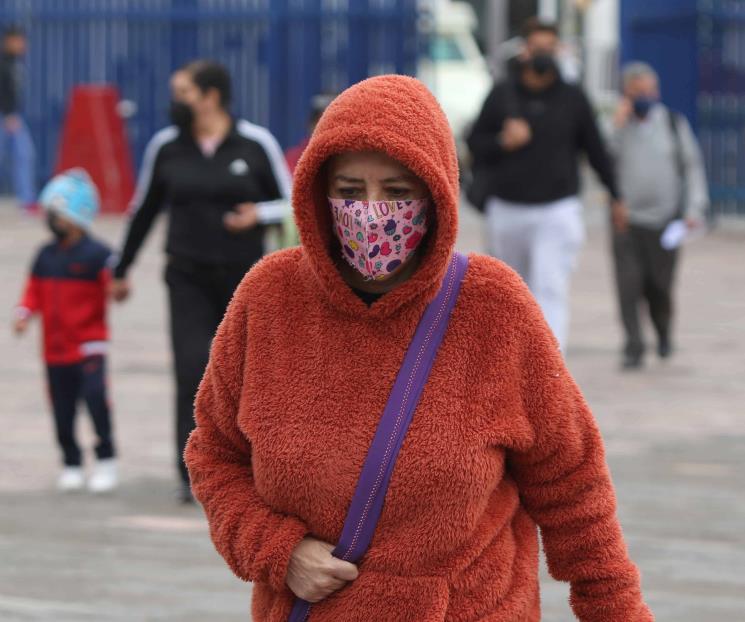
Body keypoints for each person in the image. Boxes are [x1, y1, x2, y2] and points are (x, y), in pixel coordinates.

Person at [184, 75, 653, 621]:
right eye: (351, 191)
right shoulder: (270, 297)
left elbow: (572, 483)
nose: (372, 211)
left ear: (435, 195)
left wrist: (618, 611)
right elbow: (214, 454)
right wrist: (276, 551)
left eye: (398, 192)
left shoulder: (493, 306)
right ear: (318, 192)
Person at [110, 60, 291, 503]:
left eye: (184, 93)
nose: (176, 103)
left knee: (247, 374)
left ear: (210, 97)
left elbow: (290, 201)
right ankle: (191, 471)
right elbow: (144, 208)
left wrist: (257, 214)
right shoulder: (166, 147)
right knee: (192, 368)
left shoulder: (254, 143)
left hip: (242, 280)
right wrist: (121, 268)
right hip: (186, 274)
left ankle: (250, 465)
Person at [467, 18, 623, 350]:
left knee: (550, 287)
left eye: (550, 49)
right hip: (507, 209)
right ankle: (510, 362)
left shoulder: (573, 98)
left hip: (557, 209)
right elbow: (474, 144)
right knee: (509, 292)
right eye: (538, 48)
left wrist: (616, 194)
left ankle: (550, 367)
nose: (544, 56)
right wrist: (501, 142)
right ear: (524, 51)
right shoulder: (502, 94)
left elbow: (595, 150)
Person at [14, 169, 118, 493]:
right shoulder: (45, 256)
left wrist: (119, 287)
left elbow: (115, 285)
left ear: (76, 217)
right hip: (54, 349)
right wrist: (24, 313)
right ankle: (71, 462)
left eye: (55, 214)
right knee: (61, 409)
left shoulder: (99, 255)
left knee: (95, 399)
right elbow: (32, 291)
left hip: (89, 345)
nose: (50, 220)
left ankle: (106, 459)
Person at [610, 62, 709, 369]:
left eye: (648, 90)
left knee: (659, 286)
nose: (643, 96)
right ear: (625, 93)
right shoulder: (617, 126)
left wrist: (694, 208)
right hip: (626, 221)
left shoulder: (672, 123)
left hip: (665, 221)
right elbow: (601, 161)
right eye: (636, 91)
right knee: (628, 285)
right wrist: (615, 125)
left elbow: (691, 167)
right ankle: (634, 345)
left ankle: (663, 331)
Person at [0, 26, 35, 211]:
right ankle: (27, 199)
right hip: (6, 115)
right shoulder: (3, 63)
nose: (22, 45)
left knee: (24, 155)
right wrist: (8, 115)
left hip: (12, 115)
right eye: (18, 40)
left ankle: (27, 200)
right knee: (23, 154)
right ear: (8, 41)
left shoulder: (16, 62)